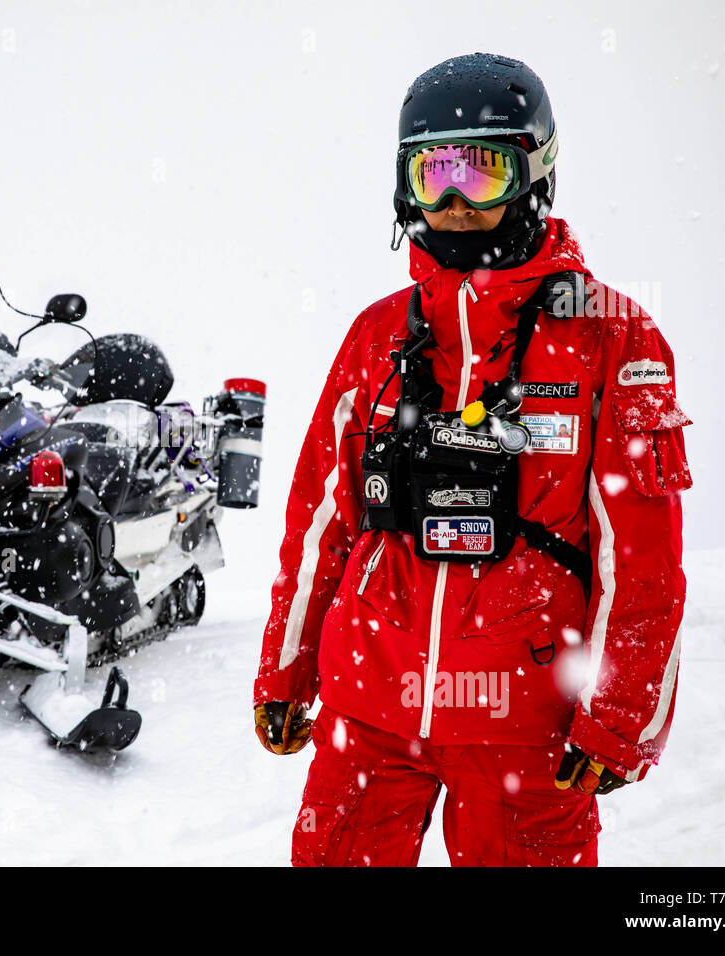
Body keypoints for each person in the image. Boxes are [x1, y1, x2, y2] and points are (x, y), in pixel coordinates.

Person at [253, 52, 692, 867]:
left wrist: (620, 715)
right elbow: (322, 517)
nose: (454, 203)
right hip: (371, 707)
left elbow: (641, 559)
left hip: (526, 727)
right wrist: (287, 668)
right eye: (433, 174)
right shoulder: (377, 335)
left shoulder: (610, 336)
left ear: (536, 172)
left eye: (481, 172)